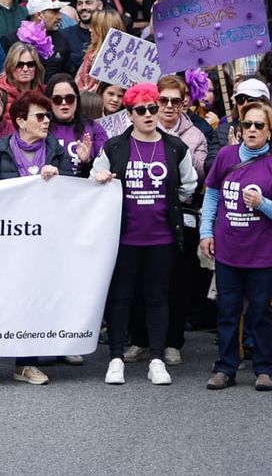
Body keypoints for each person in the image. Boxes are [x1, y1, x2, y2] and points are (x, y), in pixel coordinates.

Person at [92, 83, 197, 387]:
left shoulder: (175, 146)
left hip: (162, 237)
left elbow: (188, 185)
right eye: (142, 110)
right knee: (120, 296)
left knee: (157, 297)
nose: (150, 114)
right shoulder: (114, 146)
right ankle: (115, 358)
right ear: (130, 114)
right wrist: (101, 179)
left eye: (153, 108)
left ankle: (156, 359)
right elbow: (95, 180)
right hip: (123, 237)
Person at [0, 90, 71, 385]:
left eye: (48, 117)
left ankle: (26, 364)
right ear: (20, 121)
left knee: (32, 300)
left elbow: (71, 196)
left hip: (41, 241)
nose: (46, 122)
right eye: (40, 117)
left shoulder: (56, 151)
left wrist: (60, 179)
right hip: (4, 240)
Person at [200, 100, 272, 391]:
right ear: (240, 128)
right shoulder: (226, 156)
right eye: (247, 124)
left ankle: (264, 368)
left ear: (270, 132)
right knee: (228, 310)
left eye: (259, 125)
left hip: (262, 254)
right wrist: (206, 232)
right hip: (228, 250)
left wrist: (263, 204)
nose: (252, 130)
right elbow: (212, 197)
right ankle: (226, 367)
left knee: (261, 311)